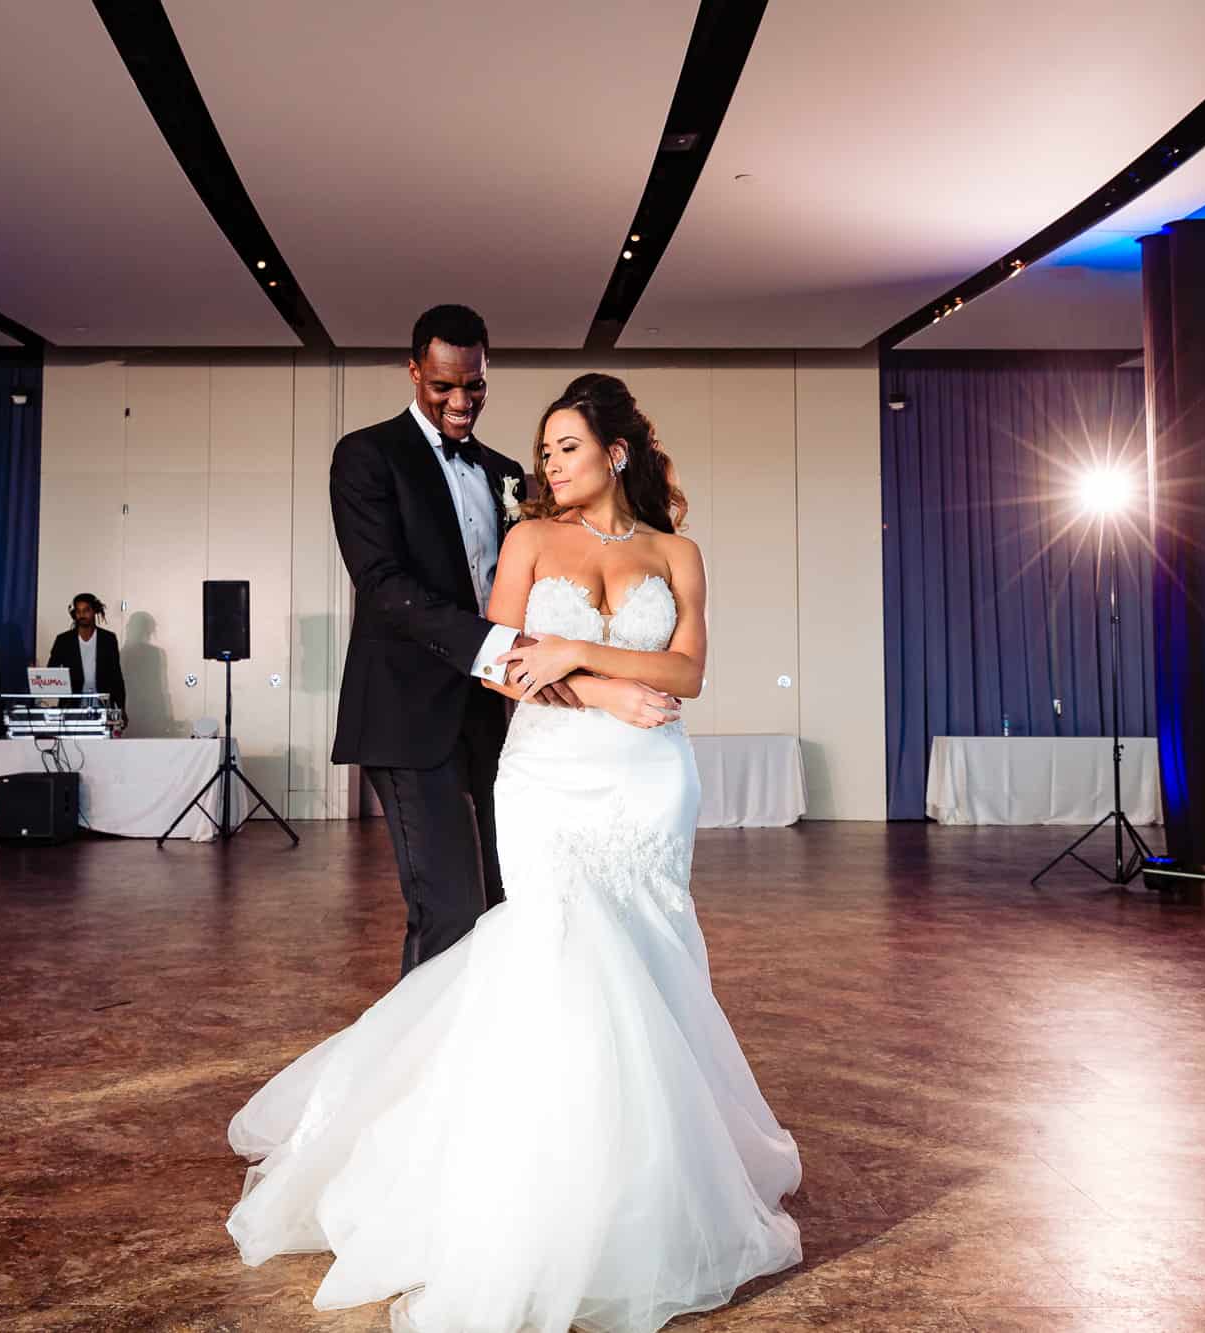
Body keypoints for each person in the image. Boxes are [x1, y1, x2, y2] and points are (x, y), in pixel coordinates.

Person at [228, 374, 802, 1332]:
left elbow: (689, 671)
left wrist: (580, 655)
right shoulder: (529, 540)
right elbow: (508, 668)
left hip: (652, 785)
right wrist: (604, 686)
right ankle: (545, 1179)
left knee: (651, 963)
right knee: (559, 956)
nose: (548, 464)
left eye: (566, 447)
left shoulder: (678, 553)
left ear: (615, 452)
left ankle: (649, 1175)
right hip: (550, 776)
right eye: (543, 451)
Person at [326, 304, 573, 978]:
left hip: (494, 715)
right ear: (413, 372)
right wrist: (501, 645)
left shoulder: (506, 472)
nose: (462, 402)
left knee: (506, 898)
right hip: (405, 714)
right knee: (448, 910)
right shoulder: (367, 455)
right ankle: (417, 1073)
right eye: (443, 387)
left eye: (476, 386)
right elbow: (382, 583)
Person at [46, 593, 125, 714]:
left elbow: (116, 676)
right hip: (71, 705)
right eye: (78, 611)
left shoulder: (108, 639)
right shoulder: (64, 640)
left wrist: (121, 708)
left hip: (103, 704)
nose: (82, 615)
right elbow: (52, 671)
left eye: (86, 610)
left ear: (94, 611)